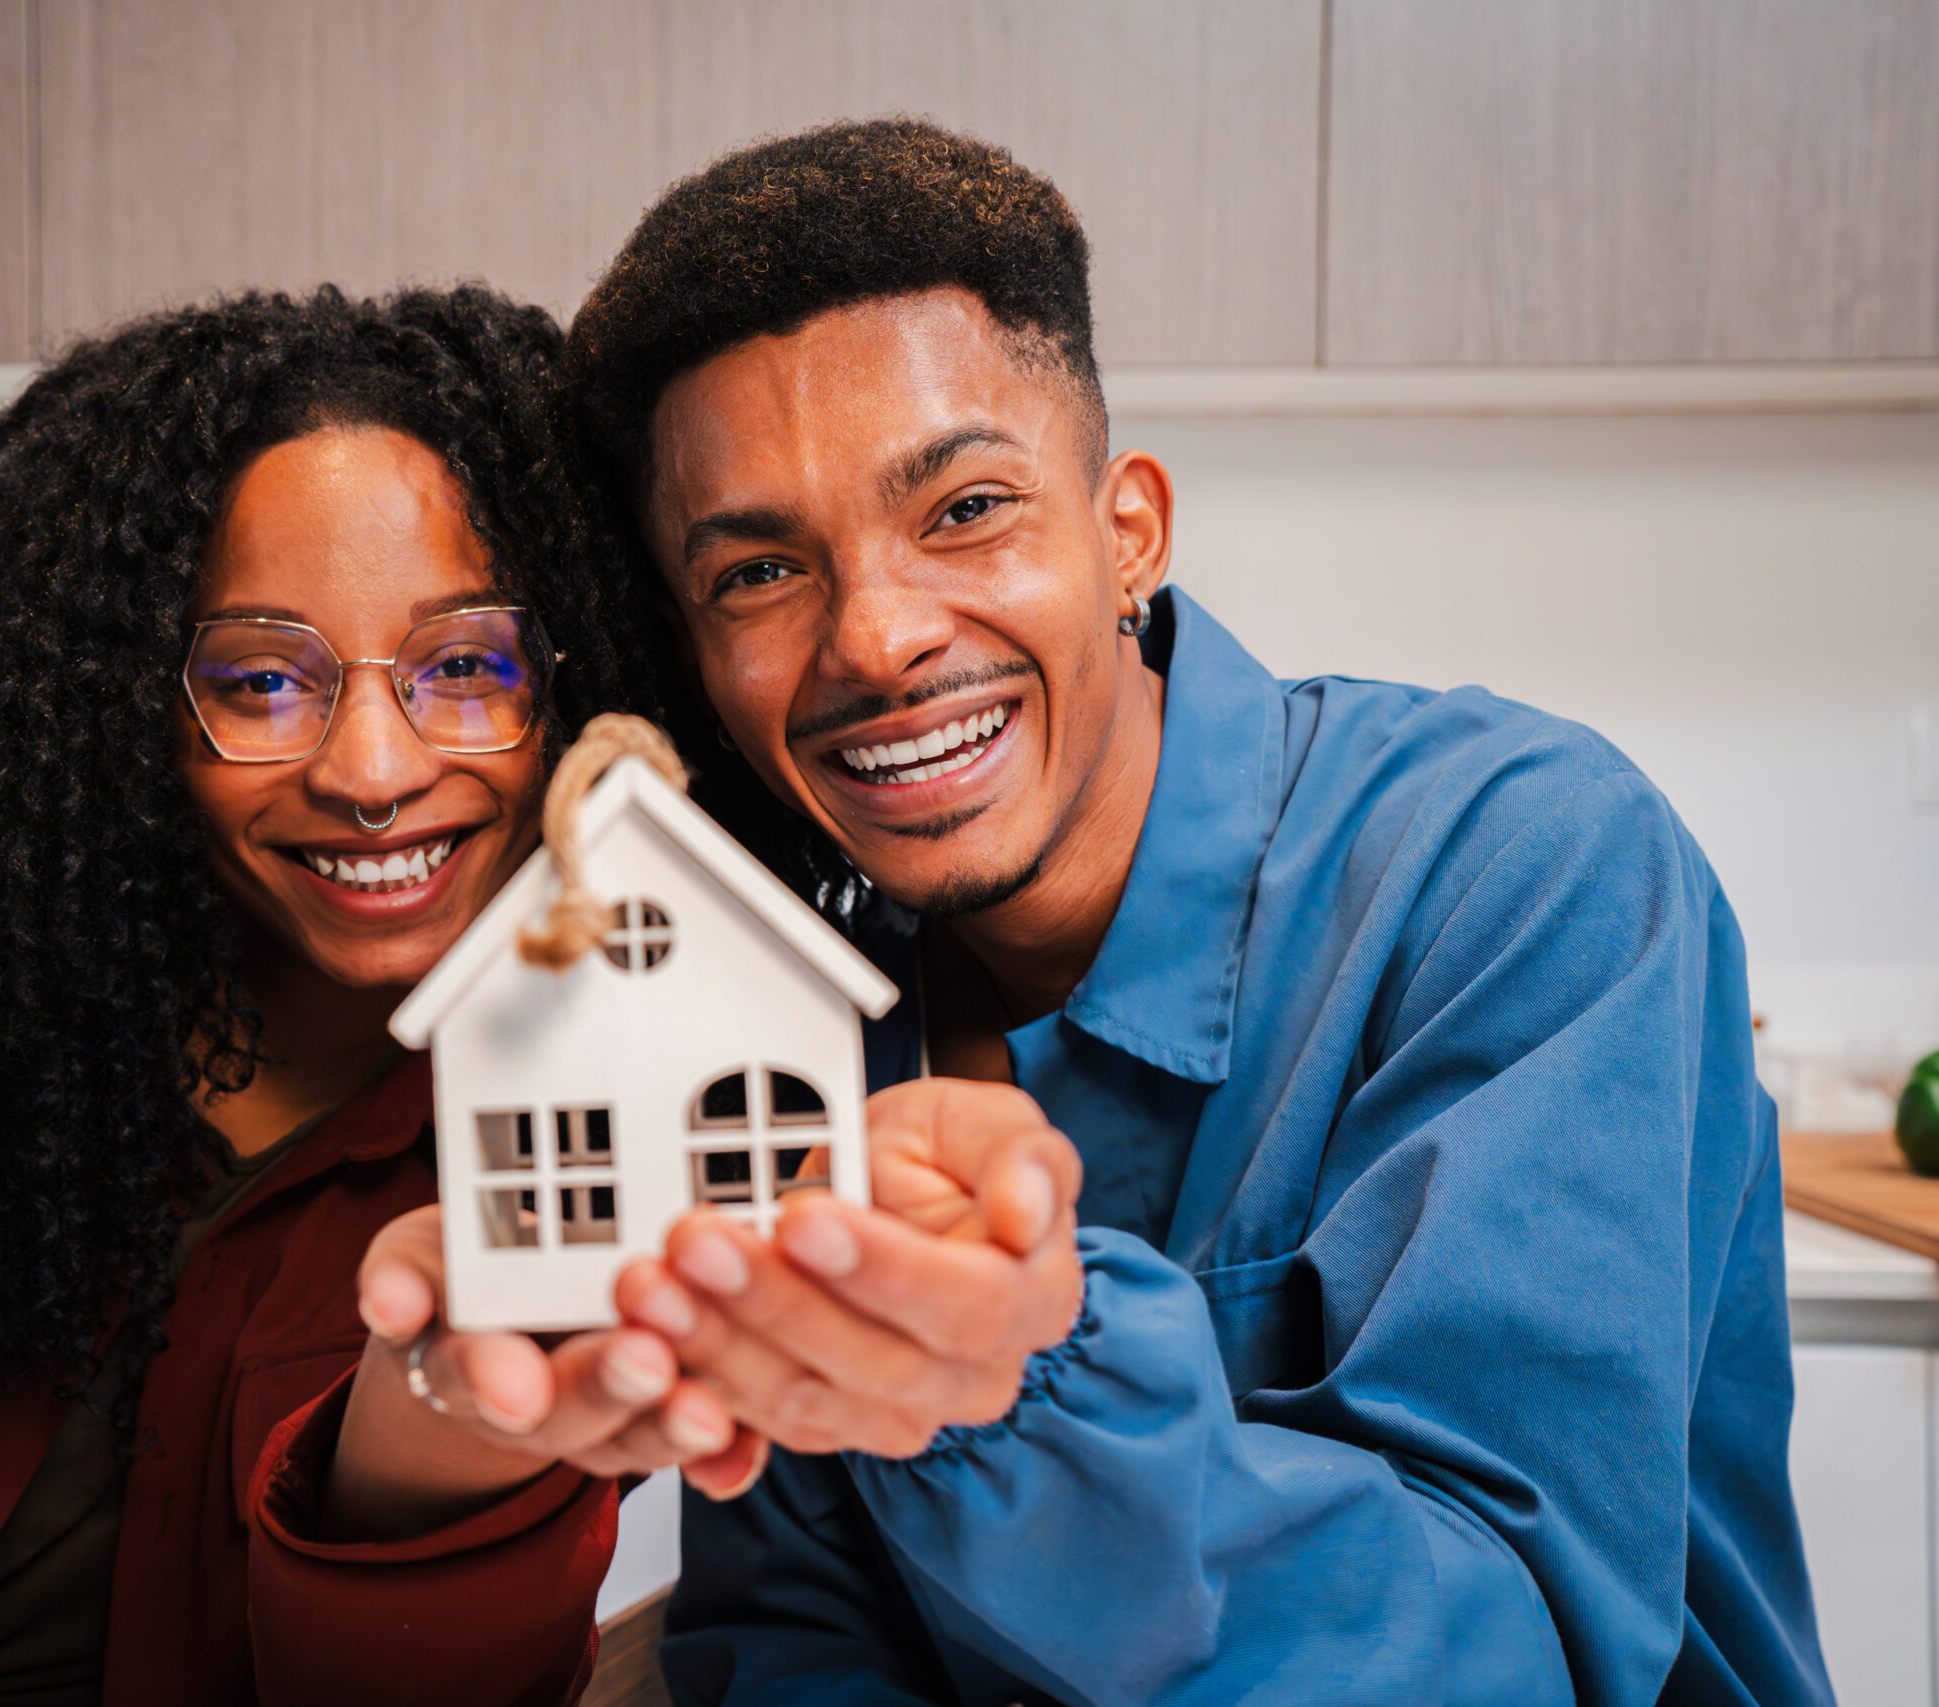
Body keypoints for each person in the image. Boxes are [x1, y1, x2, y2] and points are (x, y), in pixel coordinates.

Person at [0, 285, 1082, 1707]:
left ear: (578, 687)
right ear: (121, 707)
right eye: (259, 679)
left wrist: (448, 1443)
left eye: (467, 667)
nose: (372, 768)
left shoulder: (619, 1091)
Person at [564, 119, 1835, 1706]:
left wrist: (1017, 1365)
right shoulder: (799, 1031)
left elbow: (1509, 1649)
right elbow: (796, 1643)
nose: (876, 639)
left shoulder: (1521, 864)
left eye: (964, 509)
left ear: (1128, 534)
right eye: (760, 573)